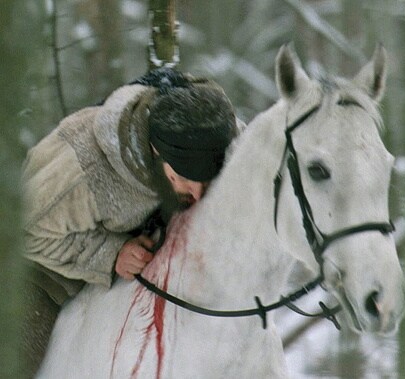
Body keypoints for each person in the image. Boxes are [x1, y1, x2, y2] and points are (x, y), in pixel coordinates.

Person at [19, 67, 241, 377]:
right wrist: (112, 253)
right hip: (35, 271)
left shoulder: (210, 134)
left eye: (208, 182)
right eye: (189, 181)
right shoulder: (81, 173)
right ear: (156, 153)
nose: (199, 195)